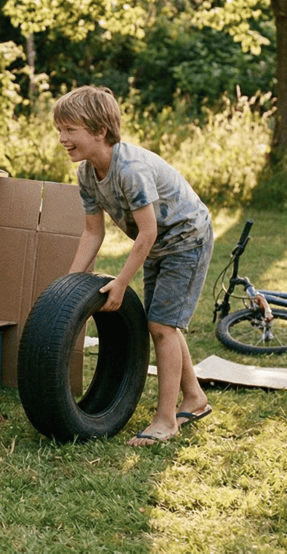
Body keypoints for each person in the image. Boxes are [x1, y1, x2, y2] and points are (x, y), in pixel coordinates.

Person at [54, 85, 214, 446]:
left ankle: (166, 420)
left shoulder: (130, 169)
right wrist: (66, 289)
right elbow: (92, 234)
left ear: (99, 131)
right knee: (163, 321)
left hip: (186, 238)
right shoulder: (86, 174)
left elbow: (147, 231)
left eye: (70, 130)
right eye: (59, 130)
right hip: (159, 244)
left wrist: (122, 282)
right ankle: (195, 398)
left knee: (160, 326)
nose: (62, 138)